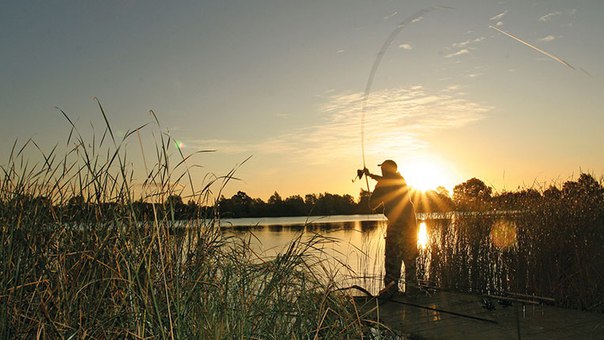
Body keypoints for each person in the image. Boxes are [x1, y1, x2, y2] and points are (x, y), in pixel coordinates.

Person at [364, 160, 419, 298]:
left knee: (392, 260)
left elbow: (372, 204)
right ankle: (412, 290)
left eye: (382, 167)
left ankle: (391, 291)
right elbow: (386, 180)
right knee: (410, 259)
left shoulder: (384, 183)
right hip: (411, 226)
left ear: (386, 169)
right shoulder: (400, 180)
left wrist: (372, 186)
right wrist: (370, 175)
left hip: (396, 227)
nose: (381, 169)